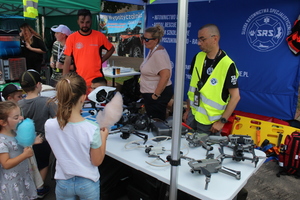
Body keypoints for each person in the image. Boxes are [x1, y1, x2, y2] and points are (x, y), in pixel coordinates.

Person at [45, 73, 109, 199]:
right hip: (87, 183)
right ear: (83, 98)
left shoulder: (49, 125)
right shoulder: (92, 128)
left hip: (63, 182)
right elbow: (97, 161)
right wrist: (103, 137)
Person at [183, 24, 240, 135]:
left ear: (215, 39)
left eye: (202, 39)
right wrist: (188, 109)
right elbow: (193, 87)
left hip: (210, 123)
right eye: (198, 39)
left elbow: (235, 97)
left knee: (205, 151)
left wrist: (222, 121)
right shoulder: (198, 57)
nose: (199, 43)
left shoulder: (227, 64)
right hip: (192, 116)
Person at [18, 70, 57, 198]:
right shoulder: (47, 101)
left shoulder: (19, 104)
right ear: (39, 84)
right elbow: (57, 119)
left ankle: (30, 186)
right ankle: (39, 188)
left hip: (25, 140)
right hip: (43, 139)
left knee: (29, 164)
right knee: (43, 163)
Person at [63, 9, 115, 88]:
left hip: (98, 80)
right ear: (78, 22)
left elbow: (111, 49)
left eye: (87, 22)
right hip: (80, 80)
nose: (84, 25)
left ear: (91, 21)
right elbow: (67, 60)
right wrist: (65, 80)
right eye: (82, 22)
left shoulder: (99, 36)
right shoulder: (71, 38)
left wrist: (101, 60)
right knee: (81, 100)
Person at [0, 101, 37, 199]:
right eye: (16, 117)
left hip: (23, 178)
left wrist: (32, 142)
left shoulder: (16, 132)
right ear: (3, 122)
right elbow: (6, 164)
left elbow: (20, 145)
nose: (21, 118)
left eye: (20, 115)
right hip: (12, 183)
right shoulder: (1, 141)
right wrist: (24, 155)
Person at [139, 24, 173, 121]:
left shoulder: (159, 54)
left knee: (156, 122)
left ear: (156, 40)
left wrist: (156, 95)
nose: (144, 41)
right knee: (152, 120)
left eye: (146, 39)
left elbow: (165, 76)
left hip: (157, 95)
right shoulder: (152, 50)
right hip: (150, 93)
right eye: (143, 38)